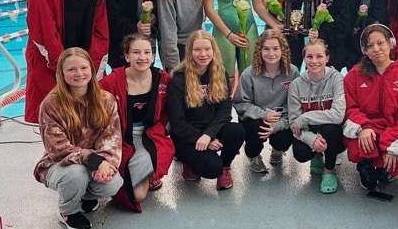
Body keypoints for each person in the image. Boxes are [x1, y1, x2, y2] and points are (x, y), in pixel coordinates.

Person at [34, 48, 123, 229]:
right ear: (61, 73)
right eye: (72, 69)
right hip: (57, 164)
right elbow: (58, 149)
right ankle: (68, 211)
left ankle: (85, 197)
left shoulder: (106, 100)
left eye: (83, 68)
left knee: (112, 184)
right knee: (76, 175)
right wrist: (93, 161)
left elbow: (111, 140)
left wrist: (105, 165)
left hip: (94, 162)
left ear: (91, 69)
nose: (79, 74)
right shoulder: (51, 105)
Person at [25, 0, 109, 123]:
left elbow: (101, 30)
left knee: (87, 120)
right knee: (55, 121)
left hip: (84, 66)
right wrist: (62, 67)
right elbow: (42, 28)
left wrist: (91, 67)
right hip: (52, 64)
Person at [343, 24, 398, 191]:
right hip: (367, 132)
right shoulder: (354, 75)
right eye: (370, 46)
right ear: (364, 50)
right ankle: (365, 167)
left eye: (381, 43)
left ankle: (384, 170)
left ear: (390, 44)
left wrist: (392, 147)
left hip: (393, 131)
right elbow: (349, 108)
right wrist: (362, 128)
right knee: (360, 147)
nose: (376, 49)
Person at [99, 34, 175, 212]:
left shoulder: (164, 80)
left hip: (151, 135)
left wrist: (160, 128)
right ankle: (145, 175)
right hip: (119, 138)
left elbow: (168, 112)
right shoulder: (110, 83)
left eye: (147, 52)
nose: (142, 57)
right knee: (131, 192)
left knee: (137, 195)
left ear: (153, 56)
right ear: (127, 56)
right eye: (136, 52)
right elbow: (96, 115)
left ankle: (149, 173)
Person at [167, 30, 245, 190]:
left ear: (213, 51)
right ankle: (188, 161)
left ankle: (225, 167)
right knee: (211, 168)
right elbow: (177, 123)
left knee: (237, 131)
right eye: (197, 50)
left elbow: (224, 111)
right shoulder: (178, 79)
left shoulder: (219, 73)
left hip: (210, 130)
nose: (203, 54)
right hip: (187, 135)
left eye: (207, 49)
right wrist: (201, 138)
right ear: (190, 52)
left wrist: (209, 135)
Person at [233, 30, 300, 172]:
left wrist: (278, 124)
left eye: (275, 48)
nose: (271, 54)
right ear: (259, 51)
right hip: (256, 118)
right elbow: (240, 103)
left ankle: (277, 149)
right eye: (266, 49)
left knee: (283, 139)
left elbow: (295, 104)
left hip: (281, 118)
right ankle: (254, 155)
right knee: (255, 130)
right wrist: (263, 114)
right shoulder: (248, 74)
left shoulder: (292, 72)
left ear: (283, 50)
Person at [288, 39, 346, 194]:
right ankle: (316, 155)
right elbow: (294, 123)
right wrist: (311, 139)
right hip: (308, 132)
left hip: (332, 133)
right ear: (304, 58)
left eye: (319, 56)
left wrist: (305, 118)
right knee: (301, 154)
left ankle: (329, 170)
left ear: (327, 58)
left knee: (332, 128)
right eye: (309, 57)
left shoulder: (336, 78)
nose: (314, 61)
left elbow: (338, 116)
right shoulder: (296, 85)